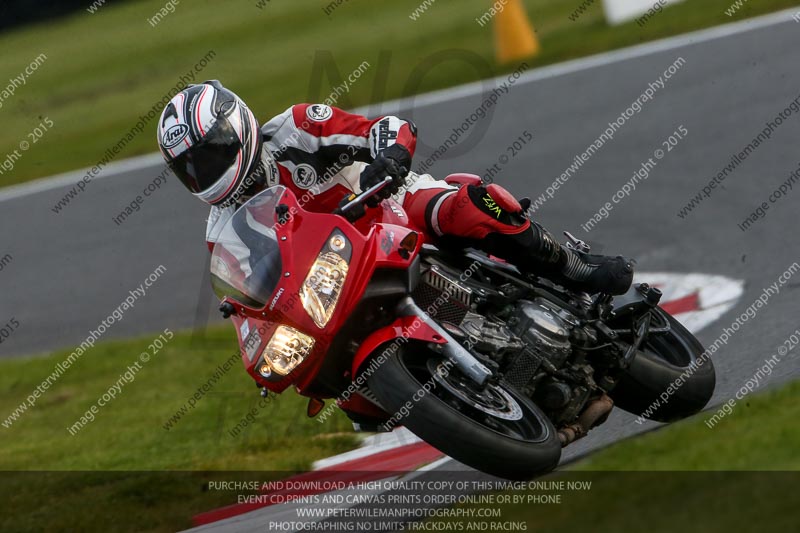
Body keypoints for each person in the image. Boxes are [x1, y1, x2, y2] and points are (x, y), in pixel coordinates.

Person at [157, 80, 634, 295]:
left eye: (209, 155)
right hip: (336, 279)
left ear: (235, 128)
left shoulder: (295, 129)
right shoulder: (222, 231)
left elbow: (384, 127)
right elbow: (248, 301)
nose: (204, 172)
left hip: (392, 207)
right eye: (190, 169)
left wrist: (389, 159)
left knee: (468, 207)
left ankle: (570, 266)